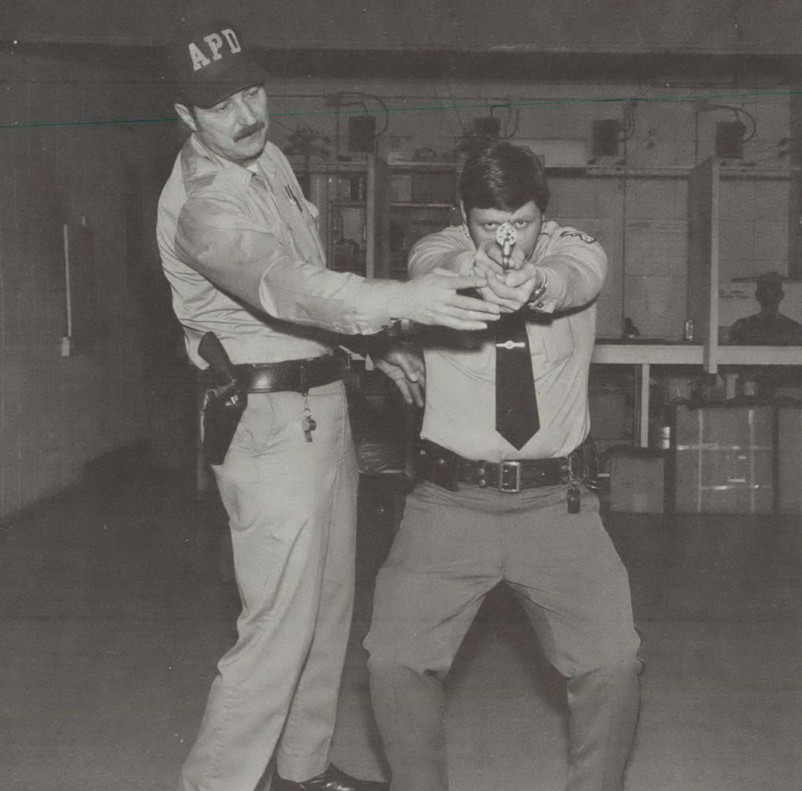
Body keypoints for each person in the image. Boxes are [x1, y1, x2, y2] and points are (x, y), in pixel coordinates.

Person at [156, 22, 500, 791]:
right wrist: (405, 300)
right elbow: (289, 286)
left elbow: (307, 297)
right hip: (267, 426)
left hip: (321, 407)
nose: (246, 113)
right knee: (276, 628)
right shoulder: (204, 208)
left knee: (328, 609)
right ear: (186, 118)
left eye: (251, 91)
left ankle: (303, 772)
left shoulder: (267, 160)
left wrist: (364, 350)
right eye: (220, 105)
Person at [364, 142, 643, 791]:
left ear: (543, 215)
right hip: (449, 502)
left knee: (614, 661)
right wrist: (477, 271)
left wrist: (537, 283)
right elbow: (434, 264)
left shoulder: (574, 248)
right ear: (463, 215)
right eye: (491, 225)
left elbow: (579, 275)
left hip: (557, 502)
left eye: (521, 223)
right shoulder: (436, 254)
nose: (508, 239)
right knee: (392, 660)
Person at [728, 272, 802, 345]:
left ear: (781, 295)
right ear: (757, 295)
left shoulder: (795, 328)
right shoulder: (742, 326)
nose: (770, 297)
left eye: (774, 293)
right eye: (765, 293)